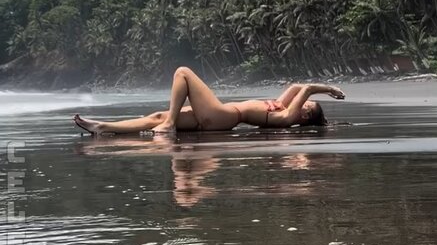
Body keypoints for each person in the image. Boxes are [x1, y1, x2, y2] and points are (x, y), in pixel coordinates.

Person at [73, 66, 345, 136]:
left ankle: (169, 124)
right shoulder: (281, 106)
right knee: (157, 116)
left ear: (305, 115)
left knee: (183, 72)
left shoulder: (286, 118)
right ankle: (103, 127)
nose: (302, 102)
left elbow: (307, 88)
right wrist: (321, 91)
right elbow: (298, 87)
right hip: (219, 116)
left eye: (306, 106)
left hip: (223, 116)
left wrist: (329, 89)